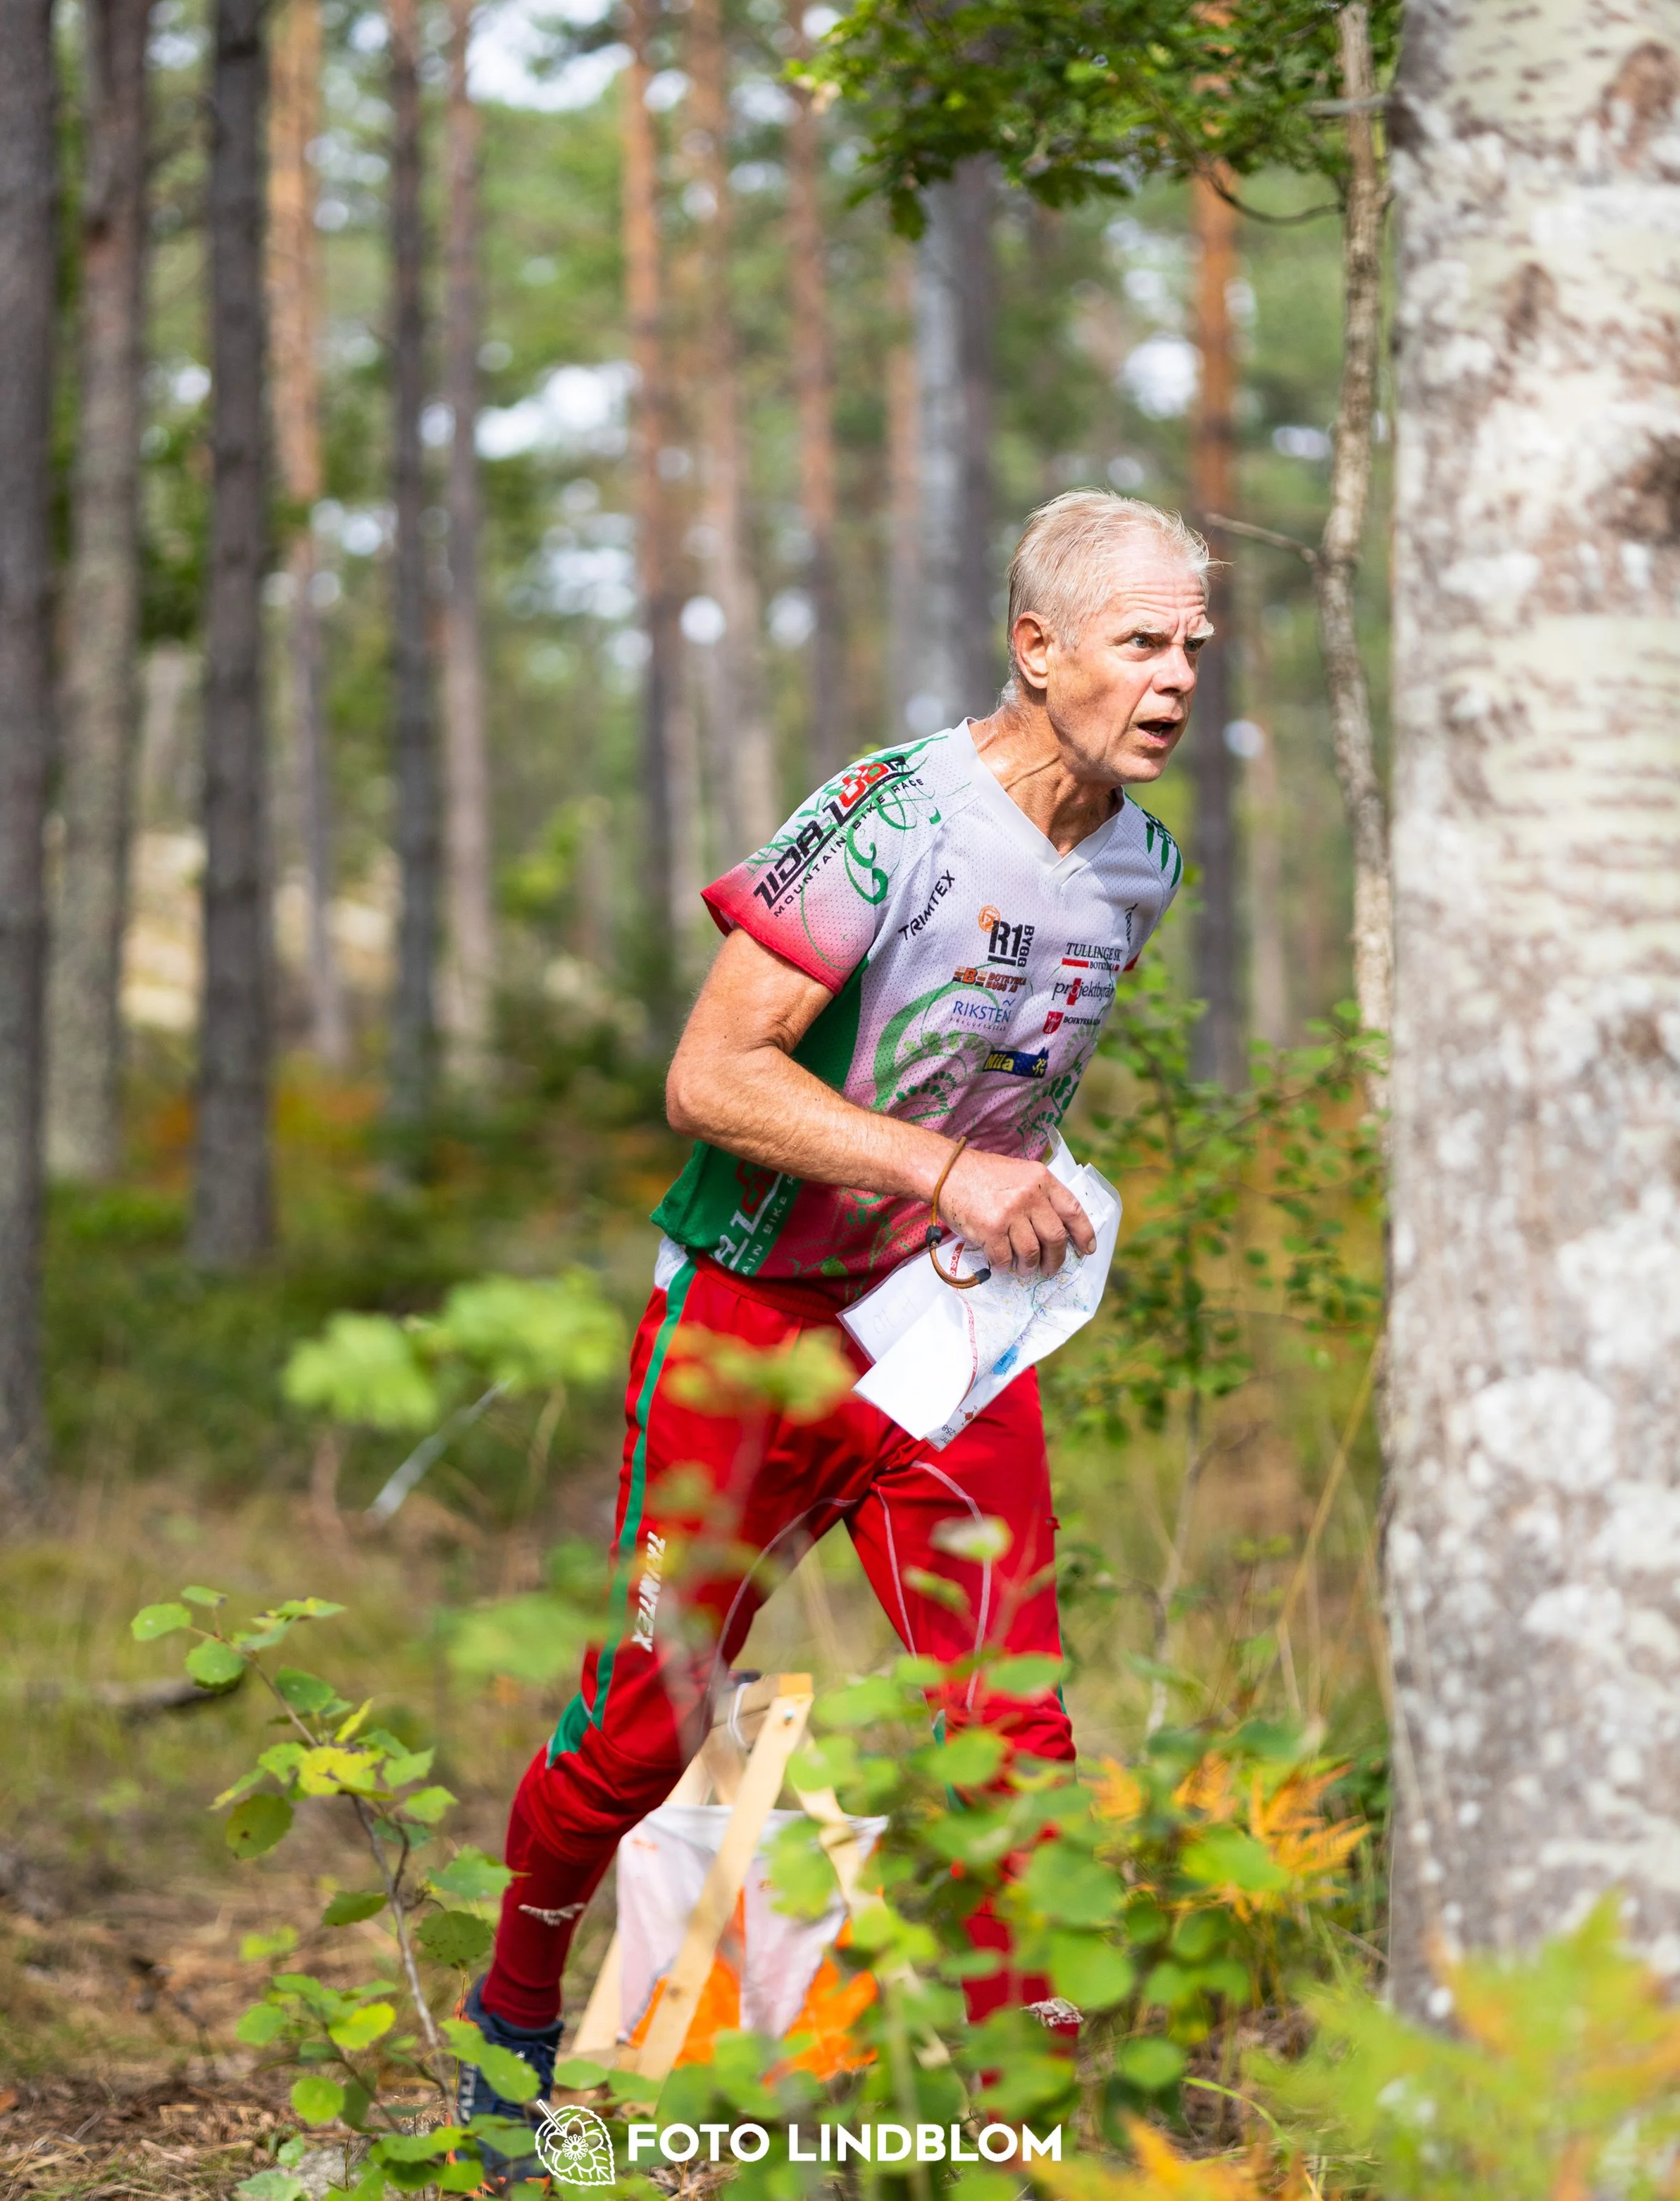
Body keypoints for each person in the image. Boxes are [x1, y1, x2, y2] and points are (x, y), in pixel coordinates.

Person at [459, 489, 1207, 2124]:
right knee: (644, 1731)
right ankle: (509, 2029)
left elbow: (991, 1075)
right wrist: (948, 1167)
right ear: (1035, 645)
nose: (1174, 680)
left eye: (1191, 647)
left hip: (939, 1340)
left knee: (1012, 1732)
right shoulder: (885, 811)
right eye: (1138, 643)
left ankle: (1025, 2128)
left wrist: (1026, 1178)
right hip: (745, 1322)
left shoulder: (1141, 866)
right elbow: (707, 1075)